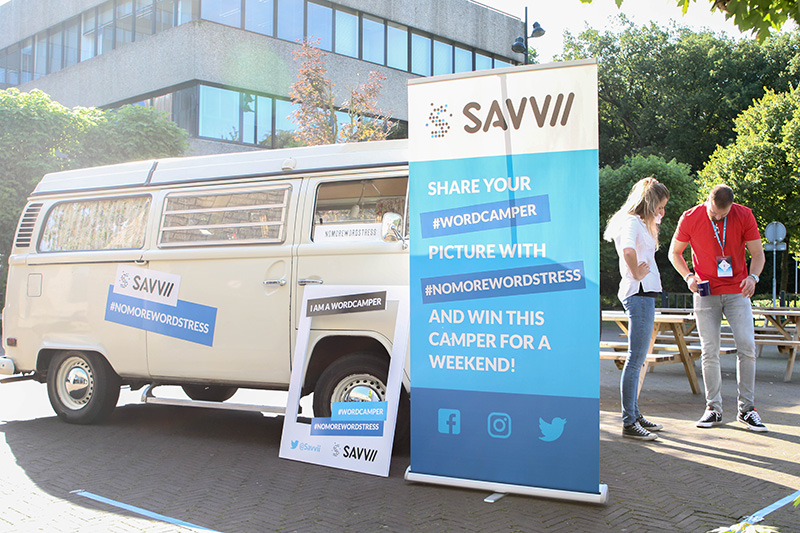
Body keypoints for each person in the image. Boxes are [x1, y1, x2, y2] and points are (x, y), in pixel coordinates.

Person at [668, 184, 767, 432]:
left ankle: (747, 410)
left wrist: (753, 277)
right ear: (708, 201)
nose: (718, 217)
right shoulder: (690, 217)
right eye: (714, 213)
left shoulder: (744, 215)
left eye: (723, 214)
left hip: (737, 291)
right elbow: (674, 253)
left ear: (731, 206)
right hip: (705, 292)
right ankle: (713, 408)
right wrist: (688, 276)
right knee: (709, 350)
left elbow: (758, 254)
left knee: (747, 347)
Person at [604, 177, 670, 441]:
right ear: (650, 203)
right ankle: (629, 422)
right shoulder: (632, 222)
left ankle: (634, 414)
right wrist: (636, 273)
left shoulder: (639, 222)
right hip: (639, 293)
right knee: (635, 360)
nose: (662, 212)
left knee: (638, 359)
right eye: (660, 206)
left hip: (644, 294)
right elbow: (628, 251)